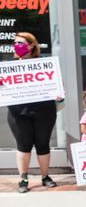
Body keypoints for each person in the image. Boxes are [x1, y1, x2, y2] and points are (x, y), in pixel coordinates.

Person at [8, 32, 59, 193]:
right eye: (15, 43)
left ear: (31, 45)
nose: (17, 45)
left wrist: (58, 92)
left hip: (44, 110)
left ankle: (45, 177)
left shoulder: (44, 63)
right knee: (23, 145)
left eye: (21, 42)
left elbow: (56, 83)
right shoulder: (9, 67)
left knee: (43, 144)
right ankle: (23, 179)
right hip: (18, 112)